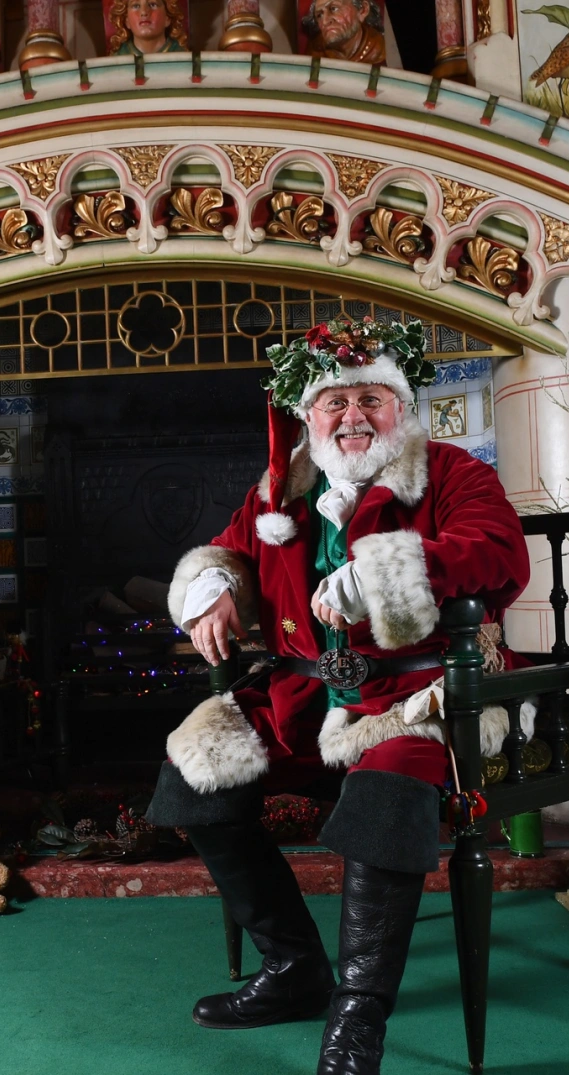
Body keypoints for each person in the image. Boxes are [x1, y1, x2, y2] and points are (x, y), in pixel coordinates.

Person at [145, 316, 530, 1074]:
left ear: (400, 407)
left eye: (370, 398)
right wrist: (213, 587)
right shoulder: (280, 491)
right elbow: (228, 549)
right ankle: (294, 970)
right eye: (334, 402)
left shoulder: (451, 472)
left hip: (417, 696)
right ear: (307, 416)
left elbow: (497, 551)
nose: (352, 416)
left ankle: (358, 1011)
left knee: (386, 794)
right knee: (192, 776)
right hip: (305, 694)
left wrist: (384, 569)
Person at [302, 0, 386, 65]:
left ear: (362, 10)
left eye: (333, 9)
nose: (325, 21)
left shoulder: (380, 49)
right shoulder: (315, 51)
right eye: (319, 15)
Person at [108, 0, 188, 55]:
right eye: (136, 6)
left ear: (167, 18)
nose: (144, 12)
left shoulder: (182, 58)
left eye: (153, 4)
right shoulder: (117, 61)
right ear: (126, 20)